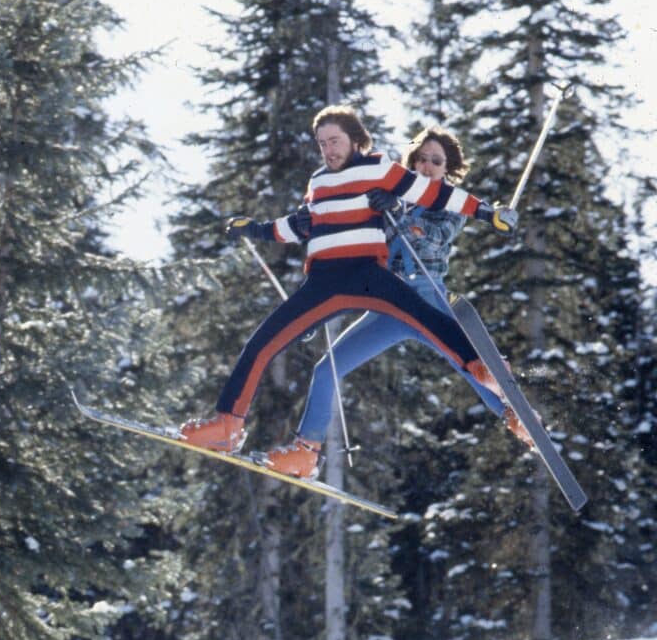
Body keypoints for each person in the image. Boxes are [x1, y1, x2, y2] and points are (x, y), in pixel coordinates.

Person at [177, 105, 520, 479]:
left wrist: (488, 213)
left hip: (388, 279)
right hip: (326, 281)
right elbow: (299, 223)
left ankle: (501, 391)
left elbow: (439, 197)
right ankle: (242, 430)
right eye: (322, 143)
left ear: (356, 140)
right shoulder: (321, 181)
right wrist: (258, 229)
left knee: (436, 324)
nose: (329, 150)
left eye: (335, 141)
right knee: (270, 345)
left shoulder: (381, 171)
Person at [288, 126, 534, 478]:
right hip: (389, 306)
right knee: (326, 369)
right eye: (421, 159)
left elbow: (436, 237)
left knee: (470, 366)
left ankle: (516, 415)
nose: (427, 166)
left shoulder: (450, 200)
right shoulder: (390, 194)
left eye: (436, 161)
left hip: (426, 299)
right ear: (411, 162)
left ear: (447, 168)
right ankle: (304, 452)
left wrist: (402, 215)